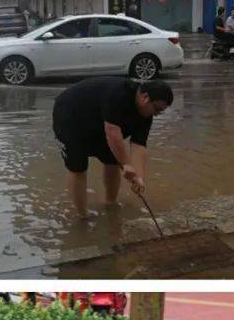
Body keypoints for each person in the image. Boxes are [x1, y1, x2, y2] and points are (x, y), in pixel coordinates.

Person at [52, 77, 173, 219]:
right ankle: (82, 216)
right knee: (78, 167)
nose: (157, 114)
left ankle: (110, 203)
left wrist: (138, 178)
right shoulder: (118, 95)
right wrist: (127, 164)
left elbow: (139, 145)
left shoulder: (146, 115)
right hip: (70, 116)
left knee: (113, 161)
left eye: (160, 112)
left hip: (100, 120)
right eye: (157, 109)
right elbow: (112, 131)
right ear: (145, 97)